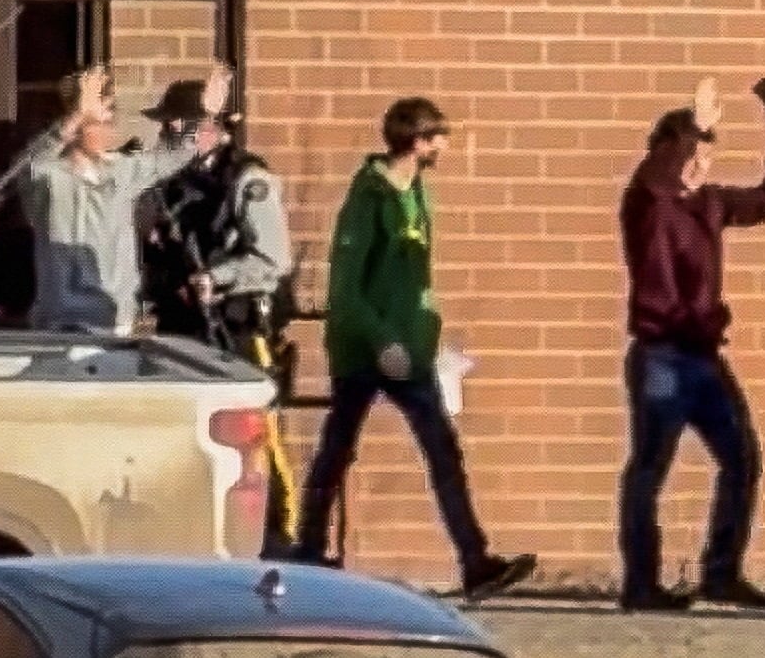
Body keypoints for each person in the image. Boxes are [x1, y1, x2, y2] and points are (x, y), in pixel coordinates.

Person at [296, 96, 534, 598]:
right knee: (338, 447)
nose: (443, 146)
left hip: (410, 351)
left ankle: (476, 562)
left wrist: (426, 340)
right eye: (437, 137)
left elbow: (415, 280)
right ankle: (308, 550)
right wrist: (382, 341)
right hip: (365, 350)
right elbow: (346, 291)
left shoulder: (417, 194)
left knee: (443, 451)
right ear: (417, 142)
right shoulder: (369, 198)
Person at [617, 77, 765, 612]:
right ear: (669, 154)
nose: (701, 168)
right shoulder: (646, 203)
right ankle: (641, 585)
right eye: (693, 157)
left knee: (742, 458)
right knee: (650, 466)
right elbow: (660, 174)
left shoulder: (712, 205)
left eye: (709, 159)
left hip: (702, 358)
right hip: (659, 356)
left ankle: (722, 573)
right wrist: (696, 126)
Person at [138, 78, 301, 556]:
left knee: (256, 434)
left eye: (181, 122)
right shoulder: (170, 184)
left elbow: (273, 260)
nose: (169, 130)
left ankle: (278, 539)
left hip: (235, 325)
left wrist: (219, 277)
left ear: (214, 128)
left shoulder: (248, 181)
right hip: (182, 324)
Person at [19, 64, 229, 334]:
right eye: (99, 123)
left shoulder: (121, 170)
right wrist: (75, 117)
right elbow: (28, 166)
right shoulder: (50, 177)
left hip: (115, 321)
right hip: (62, 324)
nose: (109, 131)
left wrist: (203, 115)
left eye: (111, 122)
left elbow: (173, 156)